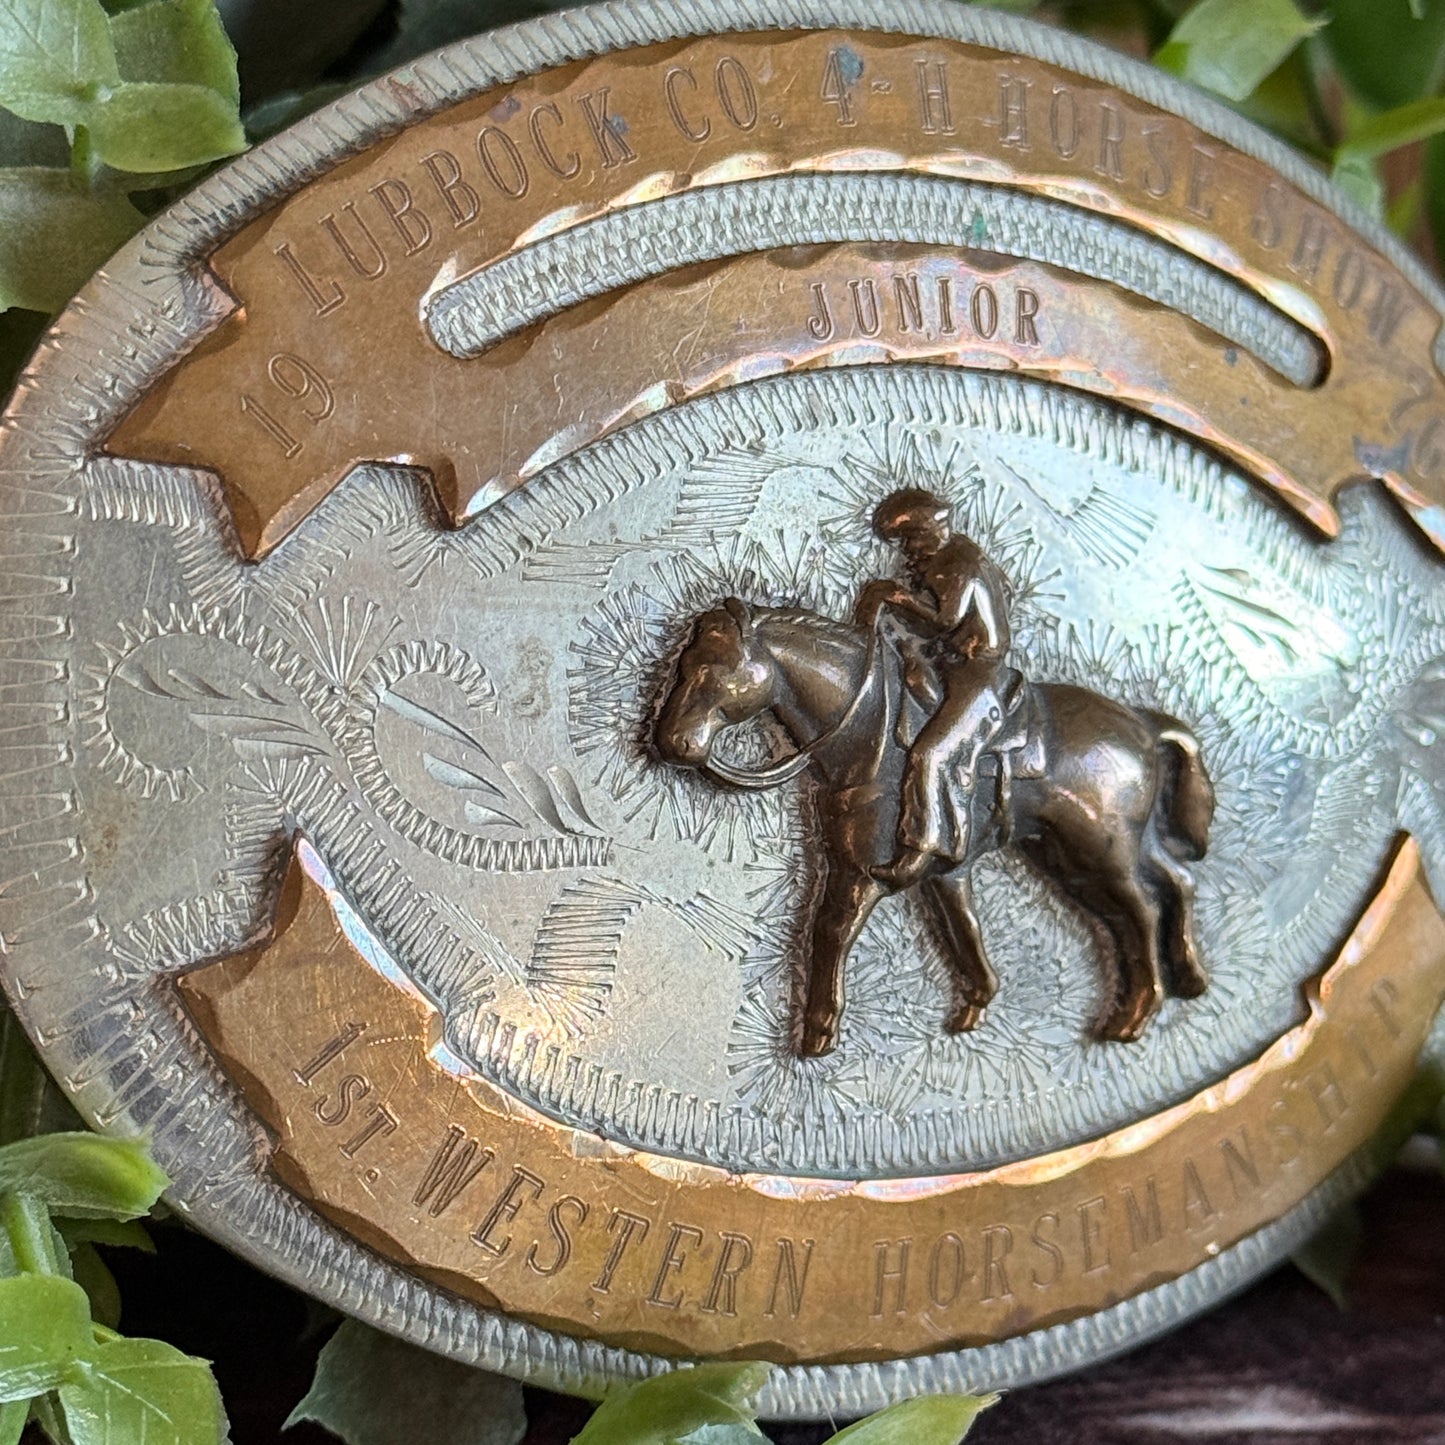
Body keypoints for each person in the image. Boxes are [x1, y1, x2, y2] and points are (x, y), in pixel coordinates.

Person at [854, 487, 1016, 889]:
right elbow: (1006, 590)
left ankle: (927, 851)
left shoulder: (954, 565)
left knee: (933, 753)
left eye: (911, 540)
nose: (908, 551)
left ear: (932, 532)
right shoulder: (963, 551)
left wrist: (893, 595)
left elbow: (945, 618)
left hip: (978, 672)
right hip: (952, 660)